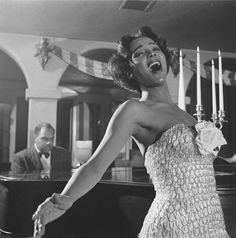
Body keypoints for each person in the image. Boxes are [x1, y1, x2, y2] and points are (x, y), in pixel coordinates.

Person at [32, 26, 229, 238]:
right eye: (140, 53)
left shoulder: (186, 115)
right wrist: (62, 200)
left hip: (213, 223)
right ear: (130, 70)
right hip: (175, 226)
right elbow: (95, 166)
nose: (151, 53)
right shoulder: (134, 109)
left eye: (154, 48)